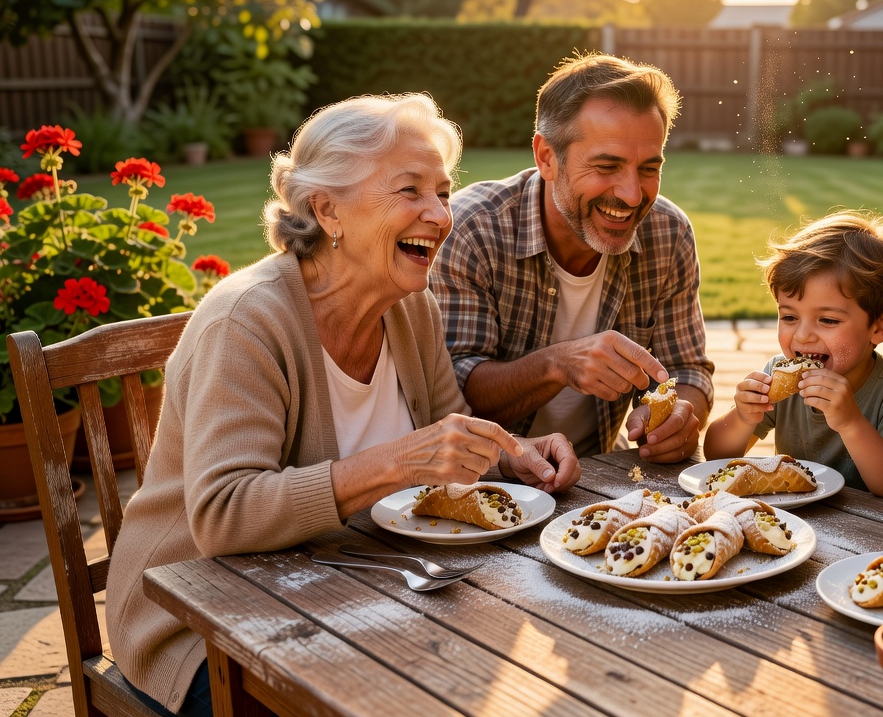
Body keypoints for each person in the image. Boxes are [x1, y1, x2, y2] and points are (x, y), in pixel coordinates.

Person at [105, 94, 581, 716]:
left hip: (347, 590)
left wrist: (510, 455)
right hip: (205, 624)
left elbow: (446, 433)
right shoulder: (247, 321)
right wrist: (397, 463)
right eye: (410, 190)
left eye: (443, 192)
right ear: (326, 209)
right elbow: (223, 515)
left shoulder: (411, 307)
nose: (441, 214)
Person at [431, 53, 713, 463]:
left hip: (602, 467)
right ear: (546, 157)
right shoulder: (472, 230)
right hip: (487, 475)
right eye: (607, 166)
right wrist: (557, 364)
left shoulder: (669, 233)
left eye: (648, 169)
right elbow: (455, 396)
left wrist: (683, 415)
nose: (632, 194)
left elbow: (687, 370)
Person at [704, 212, 883, 504]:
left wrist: (851, 423)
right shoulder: (779, 376)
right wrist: (742, 417)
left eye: (828, 320)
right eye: (789, 317)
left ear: (880, 326)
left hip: (871, 527)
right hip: (795, 522)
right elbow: (715, 456)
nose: (803, 336)